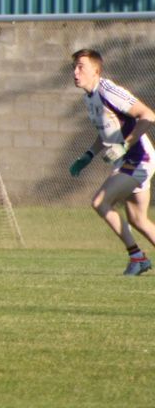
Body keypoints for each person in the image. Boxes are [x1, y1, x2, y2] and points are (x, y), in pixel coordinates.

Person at [66, 49, 155, 276]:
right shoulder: (89, 97)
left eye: (81, 67)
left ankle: (137, 258)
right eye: (74, 67)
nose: (75, 72)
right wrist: (88, 155)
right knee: (138, 219)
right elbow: (106, 131)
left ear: (96, 70)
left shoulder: (108, 91)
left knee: (100, 202)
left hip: (139, 158)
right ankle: (138, 258)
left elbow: (148, 115)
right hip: (127, 160)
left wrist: (125, 145)